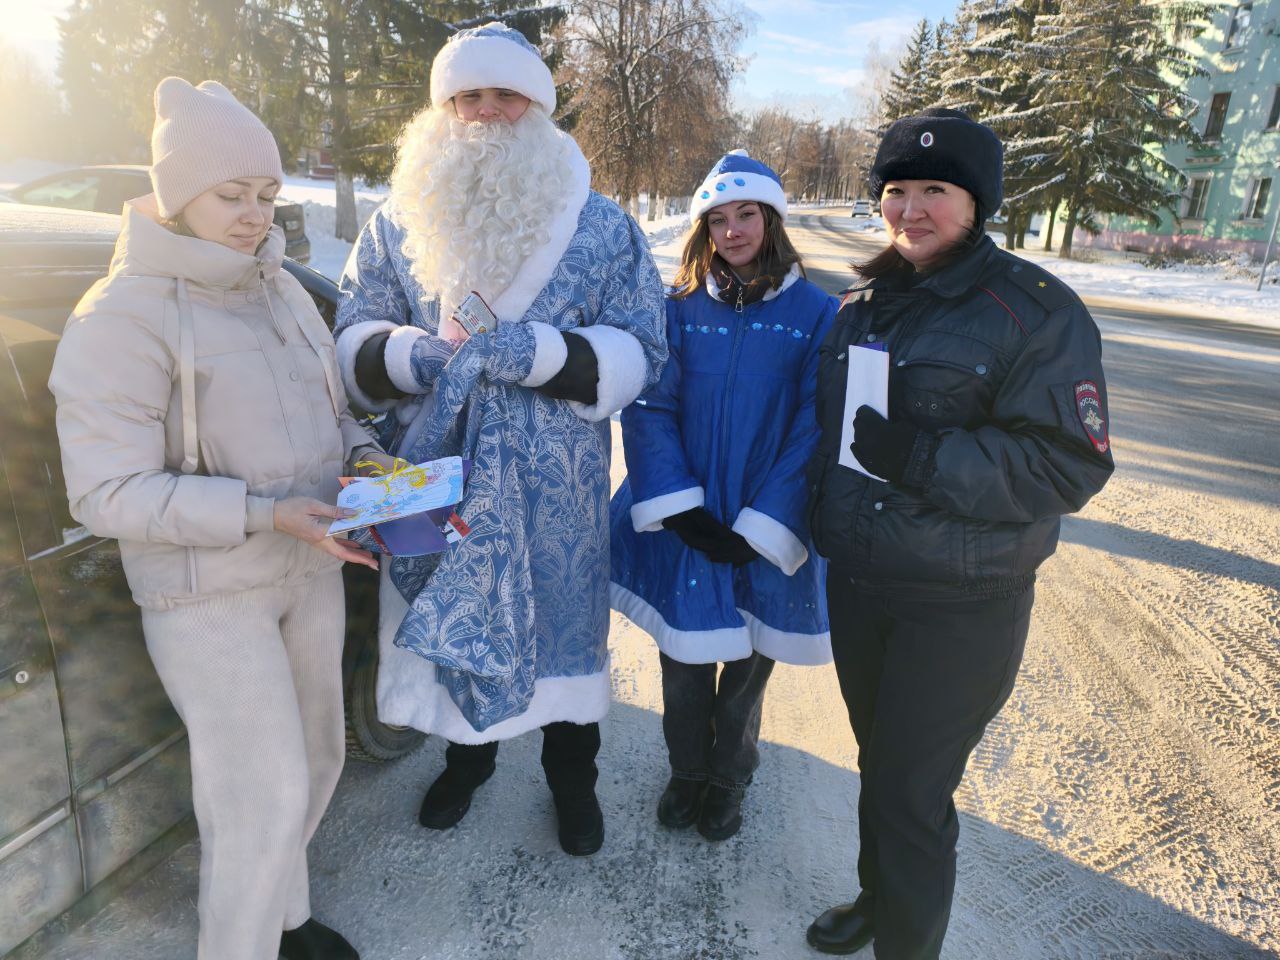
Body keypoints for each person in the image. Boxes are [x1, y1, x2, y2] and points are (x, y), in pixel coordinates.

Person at [49, 78, 390, 960]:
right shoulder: (122, 315)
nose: (253, 216)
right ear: (176, 195)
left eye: (267, 195)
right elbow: (105, 492)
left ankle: (287, 923)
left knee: (317, 761)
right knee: (258, 801)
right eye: (230, 195)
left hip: (307, 566)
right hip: (207, 595)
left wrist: (366, 461)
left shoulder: (279, 290)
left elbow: (332, 412)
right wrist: (264, 514)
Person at [334, 22, 666, 857]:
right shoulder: (396, 222)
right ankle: (467, 759)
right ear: (442, 111)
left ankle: (573, 782)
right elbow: (351, 328)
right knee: (455, 619)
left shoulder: (602, 226)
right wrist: (407, 356)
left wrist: (545, 355)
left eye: (504, 95)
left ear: (539, 107)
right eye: (466, 96)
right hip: (434, 469)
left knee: (560, 637)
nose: (484, 112)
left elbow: (643, 346)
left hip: (557, 486)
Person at [804, 108, 1115, 958]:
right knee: (880, 766)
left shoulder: (1036, 313)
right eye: (896, 190)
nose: (910, 209)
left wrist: (923, 457)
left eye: (934, 190)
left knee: (911, 793)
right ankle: (880, 900)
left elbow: (1070, 466)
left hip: (960, 603)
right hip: (861, 583)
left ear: (977, 204)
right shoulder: (867, 300)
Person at [609, 151, 837, 842]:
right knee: (683, 662)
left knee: (745, 669)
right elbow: (650, 404)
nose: (732, 231)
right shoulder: (676, 311)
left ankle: (729, 778)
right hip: (692, 516)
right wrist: (678, 506)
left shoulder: (816, 314)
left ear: (771, 219)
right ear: (703, 229)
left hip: (763, 515)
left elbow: (816, 422)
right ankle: (686, 772)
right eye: (717, 219)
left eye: (746, 215)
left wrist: (767, 522)